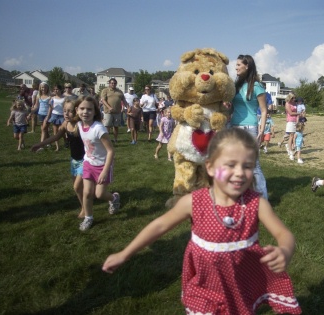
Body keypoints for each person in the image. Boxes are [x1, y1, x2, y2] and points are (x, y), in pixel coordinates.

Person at [102, 128, 301, 314]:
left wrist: (285, 250)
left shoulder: (256, 204)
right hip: (204, 285)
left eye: (247, 166)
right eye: (230, 165)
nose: (240, 172)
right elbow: (160, 225)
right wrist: (125, 253)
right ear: (211, 167)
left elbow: (284, 234)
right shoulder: (193, 202)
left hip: (241, 284)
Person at [31, 98, 85, 218]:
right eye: (64, 110)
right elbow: (56, 137)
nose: (66, 113)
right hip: (74, 160)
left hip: (85, 160)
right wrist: (40, 144)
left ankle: (85, 209)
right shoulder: (65, 124)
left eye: (70, 111)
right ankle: (85, 203)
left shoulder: (81, 125)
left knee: (77, 186)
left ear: (76, 112)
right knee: (78, 187)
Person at [76, 96, 120, 231]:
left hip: (102, 165)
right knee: (87, 193)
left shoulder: (99, 129)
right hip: (88, 163)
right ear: (77, 110)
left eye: (89, 109)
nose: (85, 112)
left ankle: (114, 198)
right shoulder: (79, 124)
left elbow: (111, 151)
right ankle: (88, 218)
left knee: (99, 194)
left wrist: (105, 171)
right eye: (82, 108)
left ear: (95, 111)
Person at [230, 54, 268, 199]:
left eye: (239, 64)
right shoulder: (236, 85)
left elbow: (264, 110)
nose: (236, 67)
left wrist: (262, 130)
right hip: (234, 128)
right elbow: (232, 108)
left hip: (250, 129)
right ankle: (240, 196)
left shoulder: (257, 86)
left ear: (247, 66)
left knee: (254, 165)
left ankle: (263, 200)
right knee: (235, 164)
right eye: (236, 64)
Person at [101, 78, 128, 143]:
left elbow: (124, 100)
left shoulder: (119, 91)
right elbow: (103, 100)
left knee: (116, 126)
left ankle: (115, 139)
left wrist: (128, 107)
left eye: (114, 83)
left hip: (117, 112)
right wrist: (109, 107)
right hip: (108, 112)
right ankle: (107, 140)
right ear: (109, 83)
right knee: (107, 126)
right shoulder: (105, 90)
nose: (113, 84)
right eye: (112, 83)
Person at [48, 85, 66, 151]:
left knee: (62, 130)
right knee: (55, 132)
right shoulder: (52, 98)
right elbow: (50, 107)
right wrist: (48, 116)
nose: (56, 90)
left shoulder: (64, 98)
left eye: (57, 89)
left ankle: (65, 141)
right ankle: (57, 147)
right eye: (55, 89)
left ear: (60, 90)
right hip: (55, 115)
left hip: (62, 115)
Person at [283, 93, 299, 160]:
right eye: (292, 98)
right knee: (291, 136)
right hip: (290, 121)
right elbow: (290, 113)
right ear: (289, 98)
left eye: (294, 98)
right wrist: (299, 113)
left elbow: (297, 112)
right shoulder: (287, 104)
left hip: (295, 121)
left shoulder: (295, 104)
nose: (294, 99)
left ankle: (289, 147)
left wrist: (298, 120)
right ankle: (290, 150)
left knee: (295, 136)